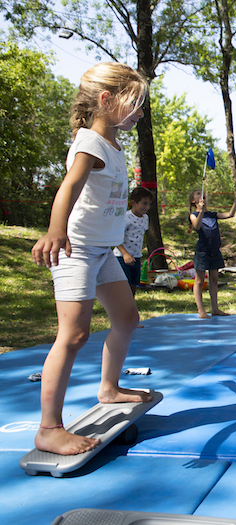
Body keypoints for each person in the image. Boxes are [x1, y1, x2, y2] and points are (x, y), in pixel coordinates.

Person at [30, 62, 153, 456]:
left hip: (102, 251)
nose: (140, 112)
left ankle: (109, 388)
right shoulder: (90, 143)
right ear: (106, 100)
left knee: (127, 319)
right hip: (77, 250)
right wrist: (55, 230)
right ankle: (49, 428)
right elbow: (68, 187)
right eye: (134, 104)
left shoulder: (114, 144)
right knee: (74, 335)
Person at [188, 186, 236, 318]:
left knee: (214, 279)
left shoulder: (212, 214)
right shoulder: (193, 215)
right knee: (199, 281)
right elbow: (197, 226)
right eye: (197, 193)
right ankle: (201, 310)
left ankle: (215, 308)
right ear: (193, 200)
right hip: (202, 252)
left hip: (215, 251)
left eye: (202, 193)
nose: (201, 194)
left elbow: (230, 214)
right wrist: (200, 211)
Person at [113, 186, 153, 297]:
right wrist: (125, 254)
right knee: (124, 285)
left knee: (134, 284)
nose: (147, 207)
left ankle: (131, 304)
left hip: (136, 257)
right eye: (144, 203)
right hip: (122, 257)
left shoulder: (145, 218)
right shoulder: (126, 218)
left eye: (149, 204)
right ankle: (121, 305)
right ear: (133, 203)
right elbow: (115, 237)